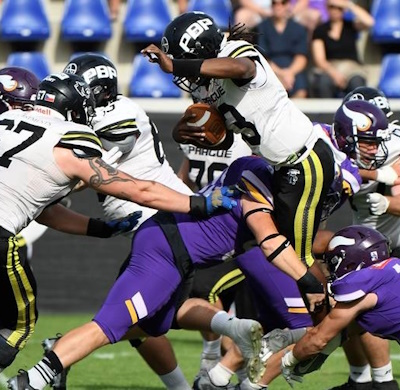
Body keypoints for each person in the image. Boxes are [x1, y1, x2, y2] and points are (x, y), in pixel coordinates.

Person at [7, 155, 327, 390]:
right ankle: (33, 379)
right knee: (113, 322)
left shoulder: (255, 170)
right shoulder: (256, 181)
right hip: (167, 247)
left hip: (180, 252)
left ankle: (62, 348)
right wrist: (308, 280)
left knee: (155, 324)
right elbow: (269, 241)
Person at [0, 72, 236, 375]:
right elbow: (141, 190)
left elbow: (42, 210)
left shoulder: (7, 121)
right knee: (16, 328)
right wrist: (197, 203)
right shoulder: (68, 139)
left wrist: (100, 228)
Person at [142, 12, 340, 317]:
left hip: (305, 160)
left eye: (184, 59)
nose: (182, 70)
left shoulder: (235, 52)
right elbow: (224, 138)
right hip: (283, 168)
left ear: (202, 50)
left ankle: (343, 314)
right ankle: (312, 318)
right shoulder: (211, 83)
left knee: (298, 257)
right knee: (280, 251)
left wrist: (175, 64)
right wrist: (183, 132)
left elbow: (242, 68)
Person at [62, 52, 194, 390]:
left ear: (101, 90)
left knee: (133, 313)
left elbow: (92, 173)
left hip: (163, 219)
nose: (75, 93)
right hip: (150, 224)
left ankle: (56, 358)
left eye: (81, 87)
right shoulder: (89, 116)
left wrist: (51, 184)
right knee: (146, 320)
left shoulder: (118, 112)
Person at [278, 225, 400, 390]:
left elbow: (319, 338)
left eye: (334, 261)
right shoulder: (391, 268)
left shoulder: (361, 283)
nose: (331, 268)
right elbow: (344, 330)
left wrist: (289, 360)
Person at [310, 0, 374, 98]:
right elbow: (320, 60)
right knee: (323, 83)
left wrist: (349, 5)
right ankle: (326, 113)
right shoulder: (320, 30)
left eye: (339, 8)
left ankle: (357, 111)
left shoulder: (351, 26)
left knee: (358, 83)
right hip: (330, 67)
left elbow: (370, 22)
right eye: (332, 7)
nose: (335, 10)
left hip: (352, 68)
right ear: (327, 8)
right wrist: (334, 74)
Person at [257, 0, 309, 98]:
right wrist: (280, 74)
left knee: (301, 89)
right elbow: (263, 58)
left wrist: (289, 73)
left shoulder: (298, 28)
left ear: (288, 5)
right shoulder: (262, 28)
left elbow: (301, 57)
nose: (278, 6)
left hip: (293, 69)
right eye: (274, 3)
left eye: (283, 3)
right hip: (270, 69)